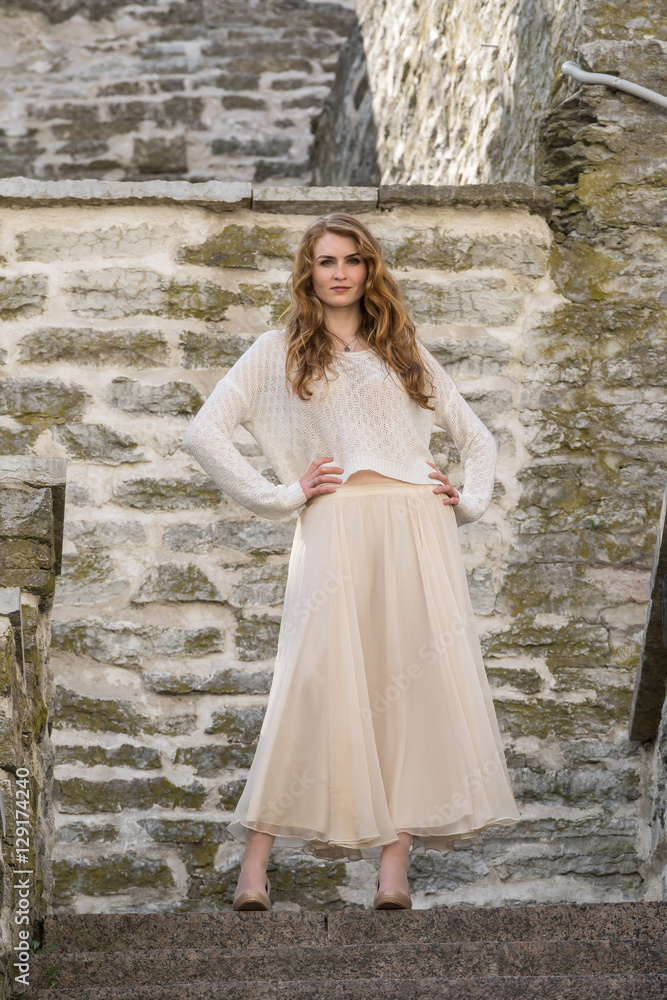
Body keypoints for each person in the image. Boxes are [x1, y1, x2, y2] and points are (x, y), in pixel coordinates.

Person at [184, 212, 521, 912]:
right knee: (313, 680)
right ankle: (254, 866)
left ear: (369, 270)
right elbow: (205, 433)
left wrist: (465, 500)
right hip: (336, 524)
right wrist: (282, 495)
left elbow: (478, 438)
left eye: (351, 260)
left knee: (412, 683)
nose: (338, 272)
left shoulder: (403, 349)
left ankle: (392, 870)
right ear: (307, 273)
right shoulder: (276, 349)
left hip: (415, 525)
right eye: (324, 261)